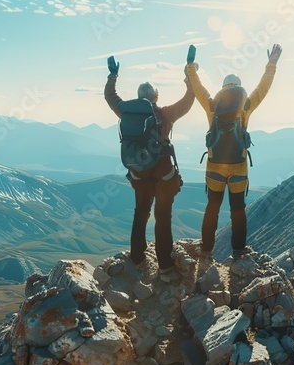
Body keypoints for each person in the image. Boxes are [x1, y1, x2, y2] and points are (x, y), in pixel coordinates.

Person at [186, 43, 282, 259]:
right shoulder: (245, 105)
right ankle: (238, 251)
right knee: (237, 209)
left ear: (222, 88)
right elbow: (262, 89)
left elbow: (198, 88)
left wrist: (190, 66)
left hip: (214, 167)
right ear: (238, 88)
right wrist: (271, 65)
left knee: (212, 207)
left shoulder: (212, 105)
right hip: (238, 166)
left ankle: (206, 250)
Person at [104, 52, 194, 278]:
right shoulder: (165, 113)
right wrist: (189, 75)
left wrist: (113, 75)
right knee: (163, 216)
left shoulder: (125, 110)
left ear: (138, 97)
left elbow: (109, 96)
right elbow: (189, 99)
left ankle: (137, 258)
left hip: (138, 173)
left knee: (140, 212)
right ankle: (165, 267)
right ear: (156, 96)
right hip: (163, 175)